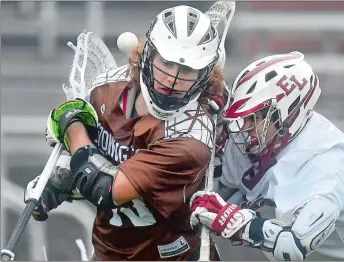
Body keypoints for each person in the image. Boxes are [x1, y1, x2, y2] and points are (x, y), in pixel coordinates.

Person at [24, 5, 227, 261]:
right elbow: (97, 153)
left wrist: (72, 128)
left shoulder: (190, 140)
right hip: (109, 250)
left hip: (171, 256)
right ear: (148, 54)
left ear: (204, 74)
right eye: (166, 62)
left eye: (186, 70)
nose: (171, 80)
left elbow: (105, 189)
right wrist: (62, 176)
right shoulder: (108, 86)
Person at [189, 51, 344, 261]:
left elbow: (292, 245)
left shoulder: (325, 161)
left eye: (253, 118)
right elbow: (223, 182)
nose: (244, 128)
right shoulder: (269, 138)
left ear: (284, 114)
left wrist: (238, 223)